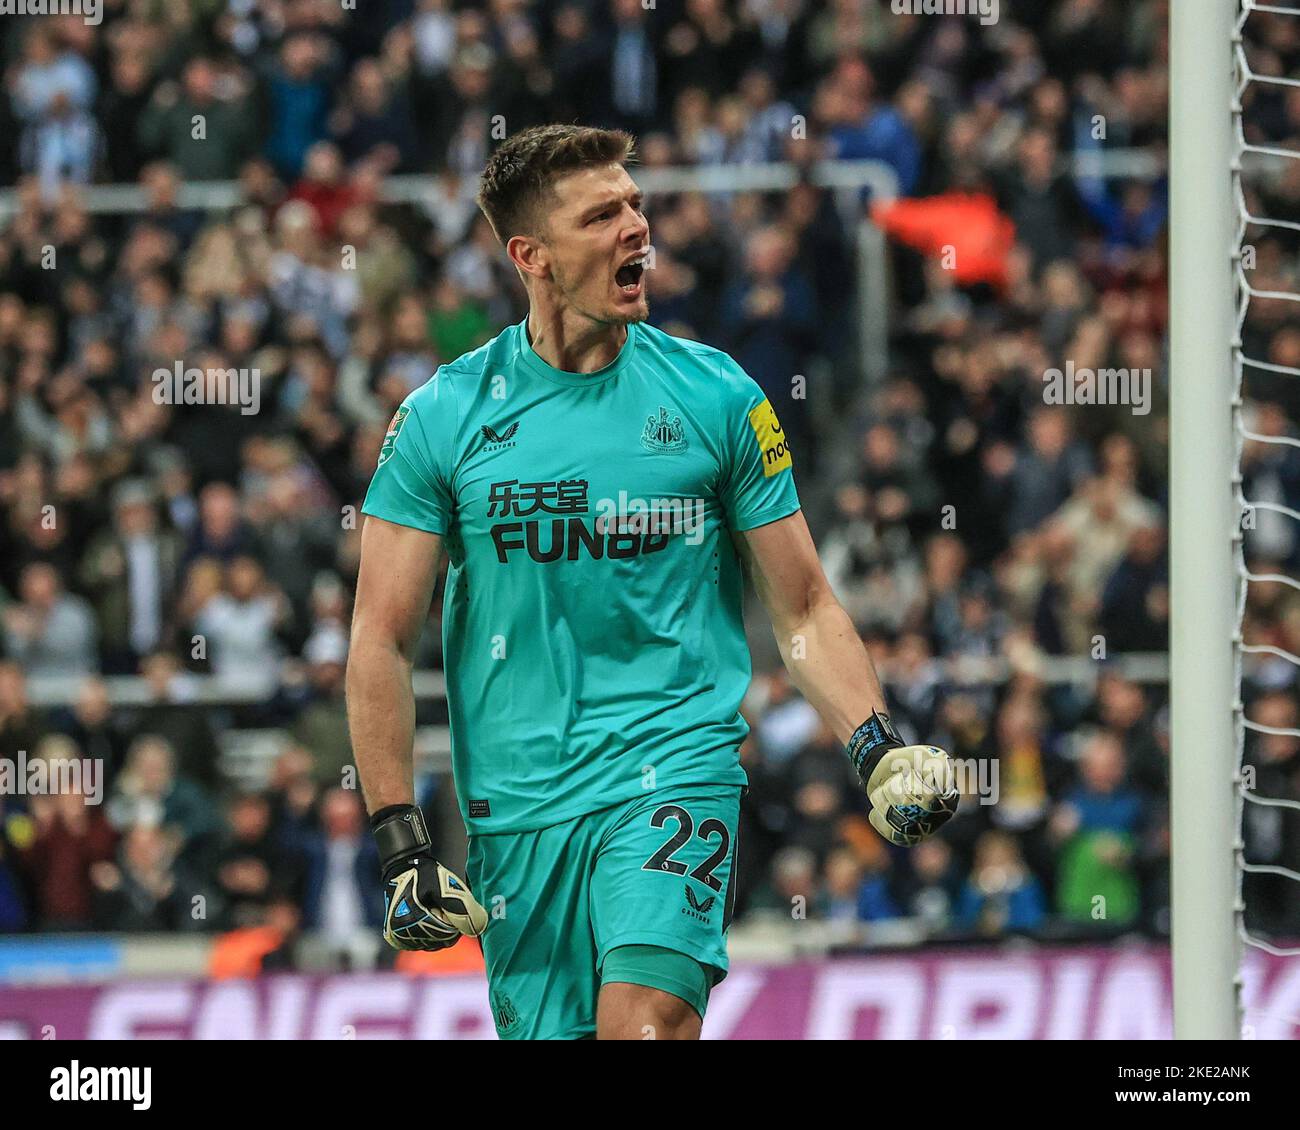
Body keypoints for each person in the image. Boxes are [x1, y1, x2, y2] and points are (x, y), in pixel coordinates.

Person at [346, 123, 959, 1042]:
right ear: (533, 256)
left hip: (672, 765)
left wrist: (874, 745)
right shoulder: (443, 417)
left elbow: (801, 607)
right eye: (603, 215)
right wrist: (401, 845)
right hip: (517, 806)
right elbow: (380, 640)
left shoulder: (718, 397)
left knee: (648, 1022)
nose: (637, 226)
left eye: (634, 203)